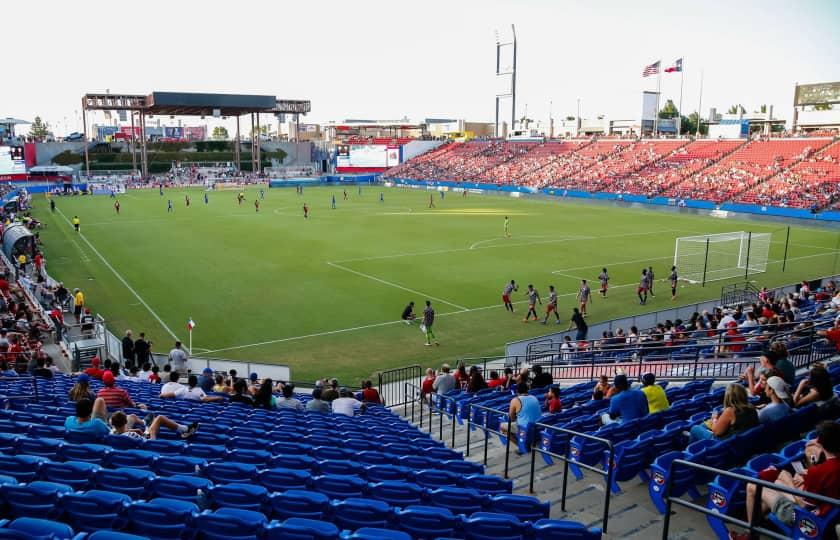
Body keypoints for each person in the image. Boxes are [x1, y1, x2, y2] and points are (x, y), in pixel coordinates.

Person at [737, 421, 840, 540]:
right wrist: (802, 478)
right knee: (778, 482)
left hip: (807, 519)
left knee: (753, 486)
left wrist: (790, 482)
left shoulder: (819, 472)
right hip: (831, 514)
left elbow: (803, 505)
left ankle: (751, 534)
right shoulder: (822, 470)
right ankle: (753, 525)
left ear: (820, 443)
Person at [689, 384, 758, 442]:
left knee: (694, 428)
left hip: (724, 443)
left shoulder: (730, 411)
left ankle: (688, 454)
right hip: (742, 440)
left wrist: (714, 419)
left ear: (728, 396)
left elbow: (716, 432)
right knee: (703, 425)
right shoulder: (751, 407)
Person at [110, 410, 197, 440]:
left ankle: (146, 423)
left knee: (133, 416)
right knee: (159, 418)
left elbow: (124, 432)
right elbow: (146, 441)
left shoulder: (111, 433)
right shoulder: (131, 435)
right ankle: (185, 430)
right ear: (125, 422)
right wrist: (150, 432)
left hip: (135, 436)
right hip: (149, 441)